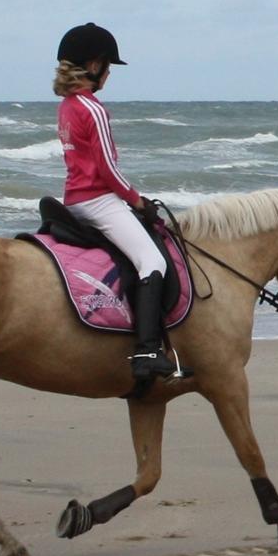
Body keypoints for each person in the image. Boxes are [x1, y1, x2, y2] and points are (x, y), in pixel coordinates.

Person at [53, 22, 183, 382]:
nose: (109, 73)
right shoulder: (92, 108)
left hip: (75, 200)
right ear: (94, 66)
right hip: (98, 200)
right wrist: (137, 200)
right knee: (152, 261)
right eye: (108, 66)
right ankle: (145, 350)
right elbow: (107, 169)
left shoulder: (66, 105)